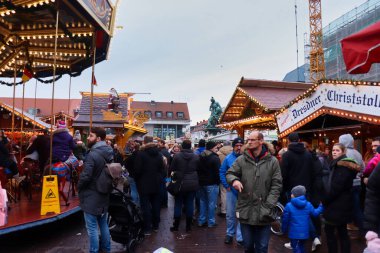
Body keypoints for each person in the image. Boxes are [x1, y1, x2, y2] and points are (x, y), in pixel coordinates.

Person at [226, 131, 282, 253]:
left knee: (262, 247)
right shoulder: (241, 160)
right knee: (248, 246)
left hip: (264, 210)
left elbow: (276, 184)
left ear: (261, 141)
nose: (249, 142)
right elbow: (230, 173)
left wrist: (269, 204)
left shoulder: (273, 161)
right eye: (248, 140)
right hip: (246, 209)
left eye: (252, 140)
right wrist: (234, 180)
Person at [281, 133, 322, 251]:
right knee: (305, 214)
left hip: (292, 190)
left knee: (294, 215)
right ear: (299, 140)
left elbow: (284, 175)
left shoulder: (287, 155)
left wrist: (283, 189)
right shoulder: (308, 154)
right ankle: (315, 237)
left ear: (288, 141)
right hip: (306, 189)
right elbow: (314, 172)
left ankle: (296, 241)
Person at [78, 127, 114, 253]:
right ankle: (106, 249)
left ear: (98, 139)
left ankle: (94, 250)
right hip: (104, 192)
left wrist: (79, 186)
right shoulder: (109, 152)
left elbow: (86, 175)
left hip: (92, 194)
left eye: (91, 136)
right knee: (103, 223)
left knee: (92, 227)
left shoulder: (93, 154)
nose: (88, 138)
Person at [322, 143, 360, 253]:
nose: (334, 152)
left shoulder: (342, 167)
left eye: (337, 150)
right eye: (333, 150)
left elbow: (336, 188)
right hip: (341, 204)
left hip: (337, 205)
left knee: (331, 233)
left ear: (343, 152)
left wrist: (324, 200)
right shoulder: (339, 164)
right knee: (342, 232)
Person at [134, 135, 166, 235]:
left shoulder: (141, 154)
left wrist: (137, 179)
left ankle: (147, 228)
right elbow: (162, 169)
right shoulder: (159, 154)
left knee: (145, 206)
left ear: (144, 142)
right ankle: (156, 225)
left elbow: (137, 170)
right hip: (157, 183)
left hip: (144, 183)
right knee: (156, 205)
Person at [169, 139, 199, 232]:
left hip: (180, 183)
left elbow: (172, 168)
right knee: (190, 203)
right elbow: (198, 168)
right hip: (192, 182)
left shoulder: (177, 156)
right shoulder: (196, 156)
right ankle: (188, 227)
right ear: (190, 146)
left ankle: (176, 226)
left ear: (182, 146)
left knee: (178, 203)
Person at [282, 185, 323, 253]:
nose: (291, 194)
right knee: (301, 247)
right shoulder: (308, 204)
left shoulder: (288, 206)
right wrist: (321, 207)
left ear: (295, 195)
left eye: (292, 193)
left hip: (294, 234)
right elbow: (315, 213)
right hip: (304, 234)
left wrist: (283, 230)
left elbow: (285, 220)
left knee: (296, 249)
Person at [339, 134, 365, 234]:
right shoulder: (357, 153)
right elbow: (363, 167)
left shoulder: (345, 153)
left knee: (353, 206)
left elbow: (344, 171)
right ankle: (352, 224)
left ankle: (362, 229)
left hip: (348, 183)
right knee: (356, 204)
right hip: (357, 182)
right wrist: (359, 174)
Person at [219, 137, 244, 245]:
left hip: (244, 191)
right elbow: (222, 172)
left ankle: (240, 237)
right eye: (236, 146)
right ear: (233, 147)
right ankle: (229, 234)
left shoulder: (246, 158)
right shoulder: (228, 158)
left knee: (242, 214)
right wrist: (226, 185)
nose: (238, 147)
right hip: (231, 191)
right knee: (230, 214)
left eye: (240, 145)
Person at [197, 140, 221, 228]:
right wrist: (218, 182)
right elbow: (218, 172)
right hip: (212, 183)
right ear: (212, 148)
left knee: (202, 202)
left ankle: (201, 220)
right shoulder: (215, 158)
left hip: (201, 183)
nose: (217, 149)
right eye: (216, 147)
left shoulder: (200, 156)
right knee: (212, 203)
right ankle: (211, 222)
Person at [217, 140, 233, 217]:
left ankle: (224, 210)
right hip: (233, 175)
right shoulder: (234, 153)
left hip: (223, 175)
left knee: (223, 193)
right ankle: (232, 209)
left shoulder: (219, 153)